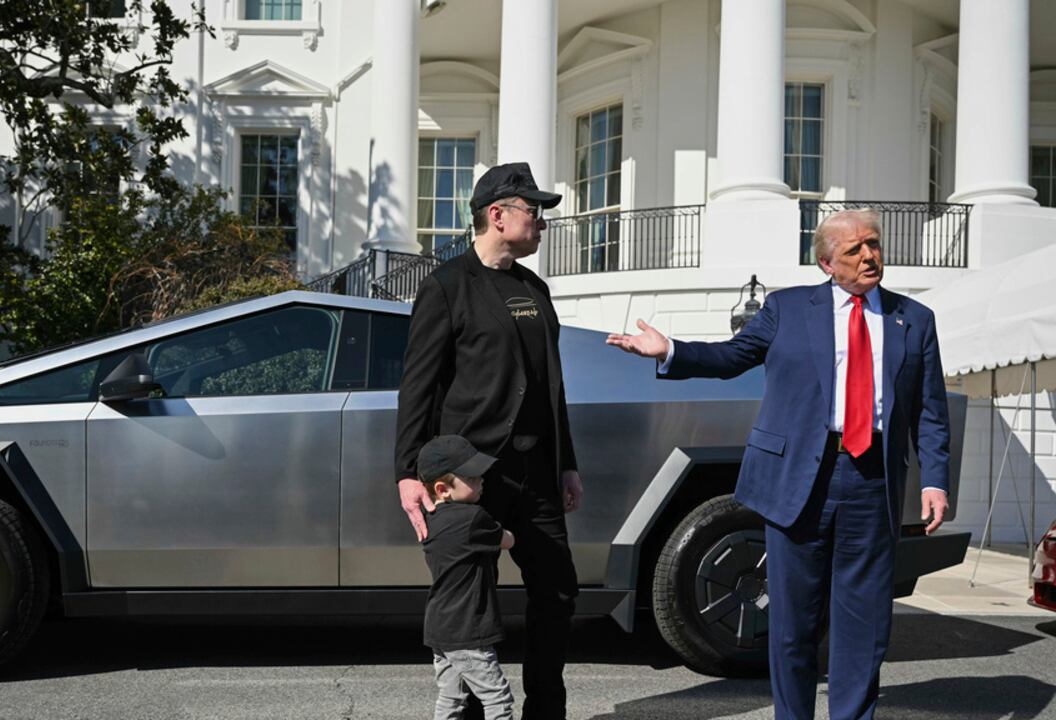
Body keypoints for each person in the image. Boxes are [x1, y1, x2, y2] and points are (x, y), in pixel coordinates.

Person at [605, 208, 951, 720]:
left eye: (874, 244)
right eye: (854, 250)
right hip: (798, 482)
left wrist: (936, 483)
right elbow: (731, 357)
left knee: (865, 623)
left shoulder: (913, 319)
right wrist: (670, 350)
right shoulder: (787, 308)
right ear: (826, 262)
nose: (869, 256)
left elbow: (930, 410)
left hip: (871, 481)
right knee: (793, 624)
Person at [395, 161, 583, 719]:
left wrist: (566, 462)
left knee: (558, 592)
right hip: (472, 475)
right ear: (497, 216)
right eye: (535, 211)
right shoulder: (447, 286)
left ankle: (545, 710)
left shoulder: (535, 289)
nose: (544, 221)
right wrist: (409, 471)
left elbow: (552, 385)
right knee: (473, 606)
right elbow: (418, 387)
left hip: (537, 471)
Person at [418, 434, 517, 720]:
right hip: (467, 630)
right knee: (497, 697)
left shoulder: (431, 520)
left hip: (439, 627)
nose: (482, 480)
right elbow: (507, 540)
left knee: (451, 697)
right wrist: (508, 533)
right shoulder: (473, 518)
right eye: (472, 478)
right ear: (443, 488)